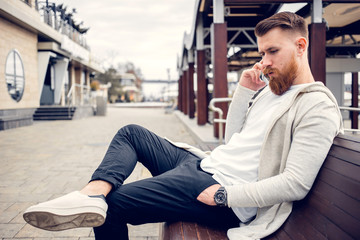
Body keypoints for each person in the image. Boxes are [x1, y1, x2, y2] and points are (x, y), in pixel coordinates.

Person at [23, 12, 343, 240]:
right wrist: (245, 90)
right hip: (201, 164)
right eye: (262, 53)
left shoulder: (316, 105)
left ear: (301, 47)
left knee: (116, 205)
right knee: (131, 133)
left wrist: (224, 196)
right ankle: (91, 193)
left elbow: (295, 183)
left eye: (273, 51)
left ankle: (96, 199)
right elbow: (232, 142)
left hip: (221, 191)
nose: (265, 62)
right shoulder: (271, 92)